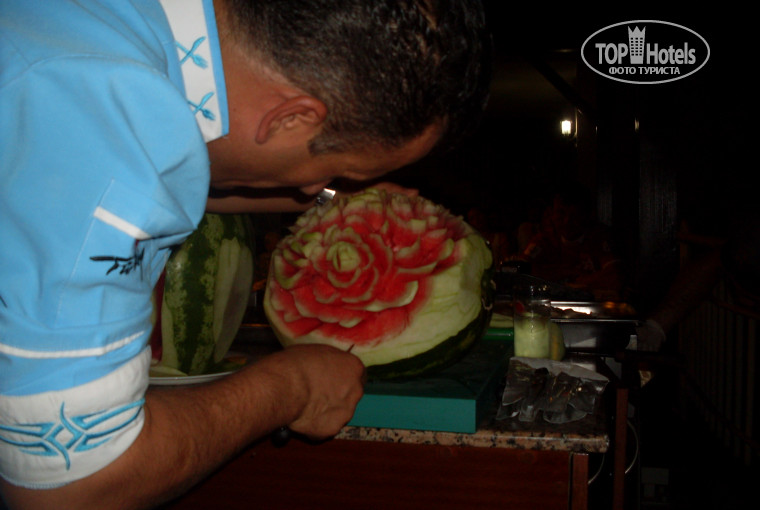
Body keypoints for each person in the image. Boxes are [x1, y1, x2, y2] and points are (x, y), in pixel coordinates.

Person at [0, 0, 491, 508]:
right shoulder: (108, 147)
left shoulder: (133, 35)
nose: (317, 187)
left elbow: (171, 176)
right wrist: (294, 386)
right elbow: (70, 488)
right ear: (292, 117)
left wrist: (333, 199)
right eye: (334, 172)